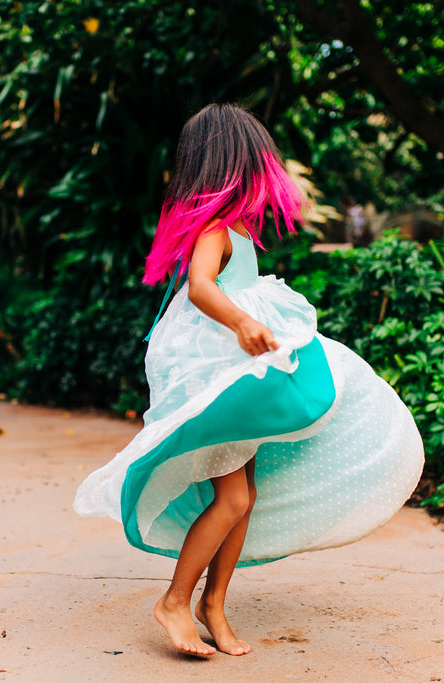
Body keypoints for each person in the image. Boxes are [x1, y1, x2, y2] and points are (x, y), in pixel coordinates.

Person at [73, 103, 424, 657]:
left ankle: (213, 604)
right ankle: (175, 601)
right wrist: (242, 323)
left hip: (236, 369)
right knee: (233, 497)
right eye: (258, 161)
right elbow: (199, 287)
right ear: (233, 163)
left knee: (243, 494)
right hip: (219, 370)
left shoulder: (237, 228)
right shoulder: (214, 228)